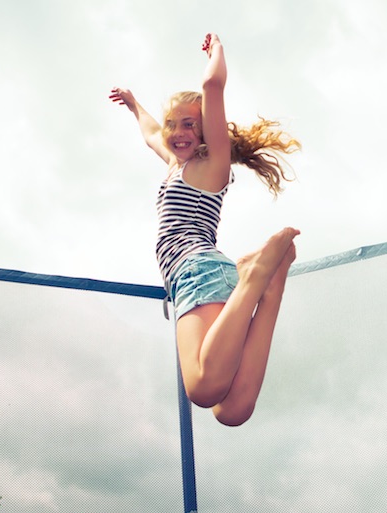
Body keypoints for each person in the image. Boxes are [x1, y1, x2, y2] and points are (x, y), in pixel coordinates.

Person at [110, 33, 301, 426]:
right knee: (231, 410)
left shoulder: (212, 165)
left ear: (205, 134)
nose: (177, 132)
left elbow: (212, 86)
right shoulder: (175, 166)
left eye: (189, 125)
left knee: (202, 390)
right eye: (172, 124)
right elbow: (150, 134)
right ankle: (271, 286)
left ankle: (252, 277)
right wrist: (133, 105)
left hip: (196, 270)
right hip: (203, 275)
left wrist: (218, 50)